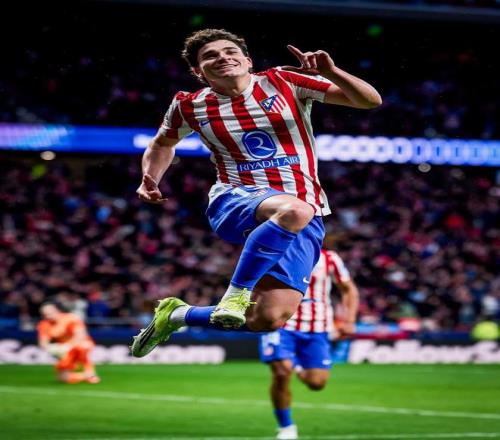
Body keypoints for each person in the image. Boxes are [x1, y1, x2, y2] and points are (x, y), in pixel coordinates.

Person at [131, 28, 380, 357]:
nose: (223, 57)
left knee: (268, 318)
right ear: (197, 71)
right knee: (294, 210)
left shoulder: (284, 81)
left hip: (304, 210)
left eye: (230, 51)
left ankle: (177, 315)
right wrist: (150, 177)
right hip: (236, 197)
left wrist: (332, 72)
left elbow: (369, 101)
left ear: (247, 60)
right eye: (210, 56)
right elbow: (163, 143)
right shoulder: (189, 105)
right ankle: (235, 294)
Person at [260, 248, 359, 439]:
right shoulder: (277, 250)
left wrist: (350, 320)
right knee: (281, 372)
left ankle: (295, 364)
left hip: (318, 326)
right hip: (281, 323)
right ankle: (286, 427)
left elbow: (349, 289)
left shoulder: (329, 258)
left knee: (316, 382)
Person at [37, 301, 100, 384]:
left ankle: (89, 371)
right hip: (64, 350)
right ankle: (87, 375)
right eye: (45, 314)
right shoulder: (44, 324)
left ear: (57, 310)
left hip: (79, 345)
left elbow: (81, 336)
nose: (48, 315)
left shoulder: (71, 318)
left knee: (83, 346)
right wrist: (53, 348)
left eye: (50, 312)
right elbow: (43, 343)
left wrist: (67, 346)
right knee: (63, 378)